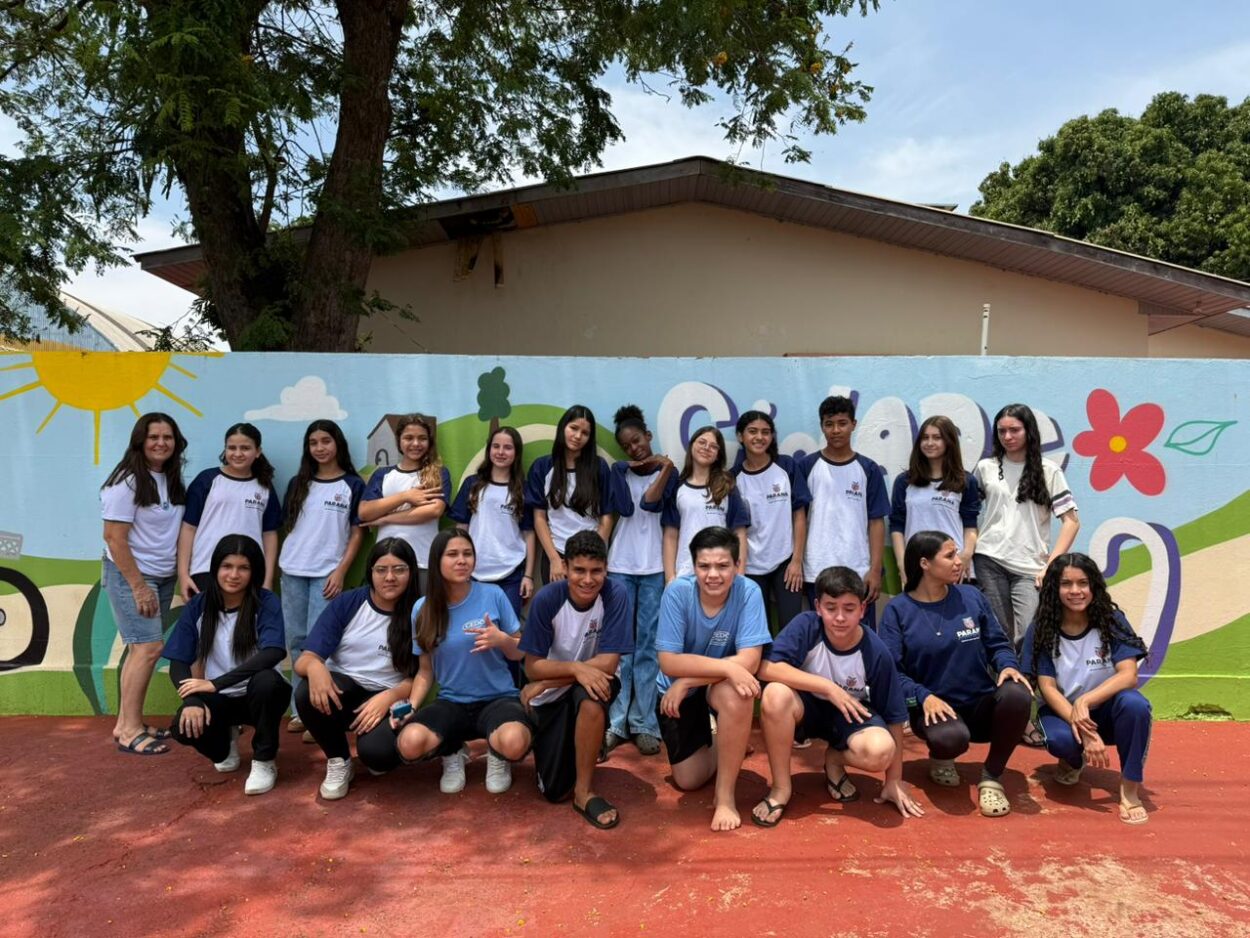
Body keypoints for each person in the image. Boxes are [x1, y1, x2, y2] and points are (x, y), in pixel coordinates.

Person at [878, 530, 1033, 818]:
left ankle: (991, 777)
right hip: (935, 710)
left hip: (980, 704)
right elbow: (891, 673)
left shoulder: (971, 596)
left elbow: (997, 643)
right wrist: (923, 697)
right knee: (951, 738)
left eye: (957, 553)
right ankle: (941, 756)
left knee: (1017, 693)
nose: (958, 561)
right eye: (949, 556)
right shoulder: (898, 610)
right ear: (925, 564)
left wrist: (1008, 665)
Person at [752, 566, 922, 826]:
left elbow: (895, 716)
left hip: (850, 716)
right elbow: (766, 668)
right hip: (807, 709)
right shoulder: (806, 626)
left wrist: (893, 780)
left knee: (881, 751)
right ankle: (781, 789)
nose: (840, 617)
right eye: (831, 608)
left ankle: (834, 758)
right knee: (775, 694)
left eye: (849, 608)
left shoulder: (875, 651)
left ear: (863, 610)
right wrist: (827, 687)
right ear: (818, 607)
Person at [394, 529, 532, 794]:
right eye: (453, 554)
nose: (462, 560)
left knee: (514, 742)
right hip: (452, 702)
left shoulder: (493, 595)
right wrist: (410, 706)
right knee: (409, 744)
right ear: (437, 561)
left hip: (498, 698)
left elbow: (519, 653)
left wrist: (501, 639)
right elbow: (425, 672)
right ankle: (453, 751)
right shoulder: (422, 609)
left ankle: (498, 755)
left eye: (467, 554)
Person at [1022, 553, 1152, 824]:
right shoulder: (1043, 629)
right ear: (1054, 589)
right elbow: (1047, 688)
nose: (1075, 591)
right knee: (1060, 741)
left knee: (1136, 705)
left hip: (1107, 711)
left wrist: (1086, 701)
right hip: (1062, 712)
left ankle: (1129, 788)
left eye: (1083, 583)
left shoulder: (1111, 621)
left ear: (1093, 586)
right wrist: (1082, 725)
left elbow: (1129, 675)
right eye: (1066, 584)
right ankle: (1073, 759)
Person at [655, 525, 770, 832]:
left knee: (740, 693)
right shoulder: (677, 592)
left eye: (722, 566)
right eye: (704, 566)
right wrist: (728, 668)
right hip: (675, 692)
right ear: (693, 567)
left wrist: (690, 679)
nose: (713, 575)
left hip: (706, 686)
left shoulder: (749, 592)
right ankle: (729, 739)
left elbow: (750, 659)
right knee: (688, 780)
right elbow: (668, 662)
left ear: (737, 566)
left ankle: (725, 797)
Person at [519, 531, 633, 828]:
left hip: (584, 682)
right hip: (554, 695)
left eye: (597, 571)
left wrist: (550, 680)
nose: (588, 579)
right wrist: (572, 672)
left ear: (606, 569)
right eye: (579, 570)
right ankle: (582, 743)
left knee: (594, 694)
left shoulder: (615, 594)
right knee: (555, 791)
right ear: (565, 568)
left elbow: (608, 663)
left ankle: (584, 792)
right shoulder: (547, 599)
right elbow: (532, 667)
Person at [293, 538, 420, 800]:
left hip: (389, 698)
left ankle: (377, 750)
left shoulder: (419, 611)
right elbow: (304, 660)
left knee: (378, 756)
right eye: (381, 570)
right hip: (343, 692)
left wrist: (388, 698)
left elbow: (418, 677)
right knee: (306, 692)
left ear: (411, 573)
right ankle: (339, 760)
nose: (389, 578)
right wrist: (316, 668)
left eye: (399, 569)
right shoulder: (348, 603)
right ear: (370, 572)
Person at [164, 534, 290, 795]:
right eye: (227, 566)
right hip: (219, 698)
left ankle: (264, 760)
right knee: (182, 727)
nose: (234, 574)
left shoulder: (265, 602)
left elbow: (274, 652)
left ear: (254, 571)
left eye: (243, 568)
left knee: (267, 681)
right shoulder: (200, 605)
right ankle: (226, 740)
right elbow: (178, 660)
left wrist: (215, 683)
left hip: (258, 695)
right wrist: (193, 701)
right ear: (216, 569)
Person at [101, 412, 188, 756]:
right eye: (154, 437)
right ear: (140, 441)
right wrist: (138, 585)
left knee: (140, 649)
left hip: (162, 575)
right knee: (148, 648)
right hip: (133, 576)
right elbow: (114, 538)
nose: (161, 443)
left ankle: (126, 723)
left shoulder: (168, 477)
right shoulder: (127, 481)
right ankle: (130, 731)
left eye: (168, 437)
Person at [278, 420, 366, 732]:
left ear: (338, 444)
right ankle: (299, 710)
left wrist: (340, 571)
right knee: (296, 641)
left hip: (328, 575)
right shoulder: (298, 483)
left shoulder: (353, 486)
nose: (320, 448)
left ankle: (321, 711)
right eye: (313, 442)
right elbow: (292, 527)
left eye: (326, 441)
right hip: (292, 571)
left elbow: (357, 534)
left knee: (321, 644)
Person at [972, 403, 1080, 648]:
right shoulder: (985, 468)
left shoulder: (1049, 471)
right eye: (1001, 431)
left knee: (1027, 635)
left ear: (1028, 430)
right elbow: (968, 515)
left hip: (1031, 567)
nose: (1008, 436)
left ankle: (1026, 684)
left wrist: (1050, 566)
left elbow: (1071, 522)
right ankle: (1002, 685)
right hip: (989, 559)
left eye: (1015, 430)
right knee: (998, 635)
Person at [601, 405, 672, 760]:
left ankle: (644, 723)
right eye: (627, 445)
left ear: (648, 435)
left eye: (638, 440)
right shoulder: (618, 472)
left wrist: (665, 467)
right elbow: (629, 509)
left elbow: (653, 503)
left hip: (655, 567)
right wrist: (627, 467)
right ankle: (616, 723)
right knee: (620, 647)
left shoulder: (669, 474)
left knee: (647, 646)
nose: (634, 448)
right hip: (621, 566)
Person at [800, 396, 889, 627]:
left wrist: (875, 569)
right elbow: (798, 519)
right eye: (829, 424)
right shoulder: (806, 466)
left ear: (853, 424)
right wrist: (797, 562)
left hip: (859, 571)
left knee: (861, 638)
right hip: (815, 570)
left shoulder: (868, 469)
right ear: (822, 427)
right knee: (821, 638)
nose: (836, 430)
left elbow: (876, 522)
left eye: (842, 423)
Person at [177, 423, 282, 601]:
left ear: (257, 451)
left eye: (245, 448)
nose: (238, 453)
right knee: (206, 627)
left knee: (244, 628)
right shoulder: (207, 480)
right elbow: (188, 529)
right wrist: (183, 574)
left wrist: (267, 579)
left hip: (249, 572)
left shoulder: (264, 486)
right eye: (232, 448)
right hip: (205, 570)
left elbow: (270, 535)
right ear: (225, 450)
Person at [733, 409, 811, 632]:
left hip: (786, 563)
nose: (760, 437)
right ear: (741, 436)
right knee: (757, 631)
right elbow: (736, 529)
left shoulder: (786, 467)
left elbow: (799, 515)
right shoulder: (733, 478)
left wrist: (796, 560)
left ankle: (789, 667)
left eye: (766, 432)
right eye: (752, 431)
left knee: (791, 627)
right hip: (750, 565)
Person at [448, 425, 537, 618]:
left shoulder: (523, 490)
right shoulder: (472, 484)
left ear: (516, 452)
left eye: (508, 447)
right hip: (473, 572)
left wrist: (528, 576)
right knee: (472, 630)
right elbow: (461, 529)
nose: (501, 452)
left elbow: (529, 534)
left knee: (508, 632)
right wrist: (458, 564)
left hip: (511, 574)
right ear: (489, 450)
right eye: (496, 446)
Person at [358, 413, 452, 593]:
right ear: (399, 441)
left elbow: (433, 510)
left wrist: (386, 519)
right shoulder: (382, 475)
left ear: (429, 442)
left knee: (421, 618)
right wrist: (405, 497)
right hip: (387, 564)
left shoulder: (439, 473)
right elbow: (365, 512)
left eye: (422, 438)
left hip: (423, 562)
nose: (415, 444)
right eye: (409, 438)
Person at [525, 405, 614, 583]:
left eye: (585, 433)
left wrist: (596, 555)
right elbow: (539, 518)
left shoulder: (599, 467)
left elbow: (607, 517)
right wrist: (554, 559)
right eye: (573, 428)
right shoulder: (542, 467)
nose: (578, 436)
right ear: (562, 427)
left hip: (591, 555)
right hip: (556, 553)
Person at [890, 415, 980, 583]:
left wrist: (966, 555)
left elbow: (970, 525)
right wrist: (903, 565)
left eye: (937, 438)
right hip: (917, 568)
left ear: (949, 441)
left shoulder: (965, 481)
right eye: (925, 438)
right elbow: (897, 526)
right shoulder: (904, 482)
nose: (929, 443)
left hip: (954, 567)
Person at [661, 426, 750, 582]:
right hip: (686, 574)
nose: (707, 448)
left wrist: (739, 575)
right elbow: (670, 535)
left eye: (714, 446)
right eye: (702, 442)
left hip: (720, 575)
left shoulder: (727, 487)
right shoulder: (677, 487)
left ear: (718, 455)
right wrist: (670, 578)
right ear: (691, 446)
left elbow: (739, 533)